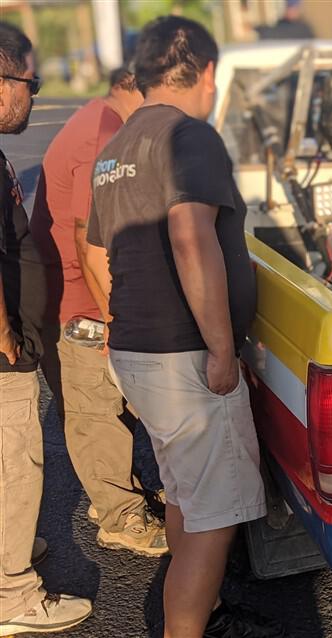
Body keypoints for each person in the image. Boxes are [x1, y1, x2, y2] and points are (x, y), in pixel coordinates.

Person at [84, 16, 267, 637]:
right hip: (185, 358)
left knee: (187, 496)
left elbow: (98, 253)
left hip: (138, 351)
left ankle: (190, 618)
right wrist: (220, 349)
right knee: (215, 516)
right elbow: (191, 239)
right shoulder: (190, 136)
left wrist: (124, 323)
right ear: (207, 72)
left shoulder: (114, 152)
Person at [28, 67, 168, 557]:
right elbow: (91, 245)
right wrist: (117, 322)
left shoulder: (101, 119)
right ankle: (119, 518)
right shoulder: (104, 136)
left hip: (71, 292)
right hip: (79, 302)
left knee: (105, 409)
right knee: (97, 412)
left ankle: (114, 493)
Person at [0, 22, 93, 635]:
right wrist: (6, 337)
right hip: (3, 350)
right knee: (16, 461)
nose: (33, 96)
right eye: (28, 82)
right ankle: (13, 596)